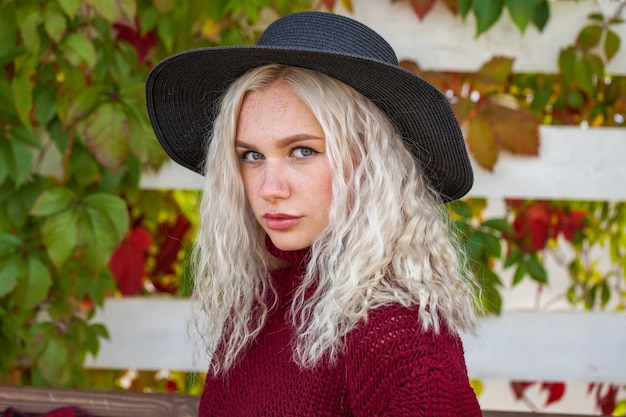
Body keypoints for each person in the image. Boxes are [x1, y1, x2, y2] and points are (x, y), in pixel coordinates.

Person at [146, 10, 482, 417]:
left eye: (302, 151)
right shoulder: (262, 303)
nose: (270, 187)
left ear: (370, 163)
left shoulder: (395, 331)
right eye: (251, 155)